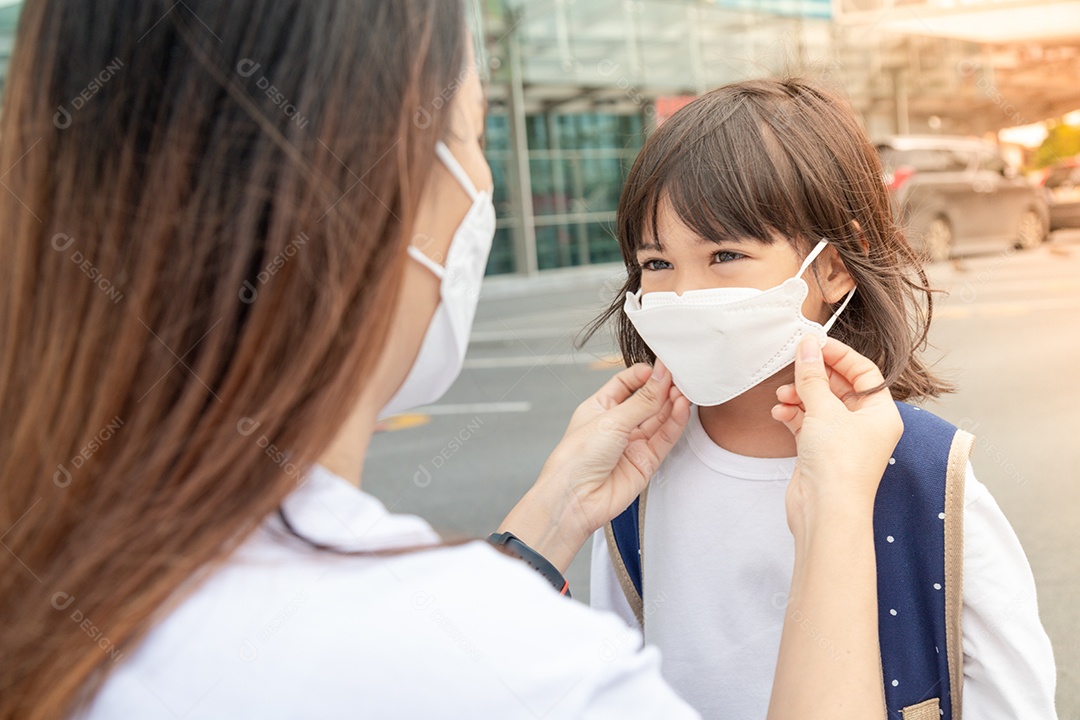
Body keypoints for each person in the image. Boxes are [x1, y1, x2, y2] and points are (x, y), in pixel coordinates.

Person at [0, 3, 898, 718]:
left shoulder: (53, 569)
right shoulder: (517, 674)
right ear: (379, 188)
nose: (484, 183)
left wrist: (545, 521)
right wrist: (834, 522)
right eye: (469, 133)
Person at [586, 78, 1059, 719]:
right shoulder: (633, 476)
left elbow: (1013, 697)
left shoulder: (927, 474)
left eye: (724, 255)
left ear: (834, 267)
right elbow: (603, 681)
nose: (683, 295)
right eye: (657, 264)